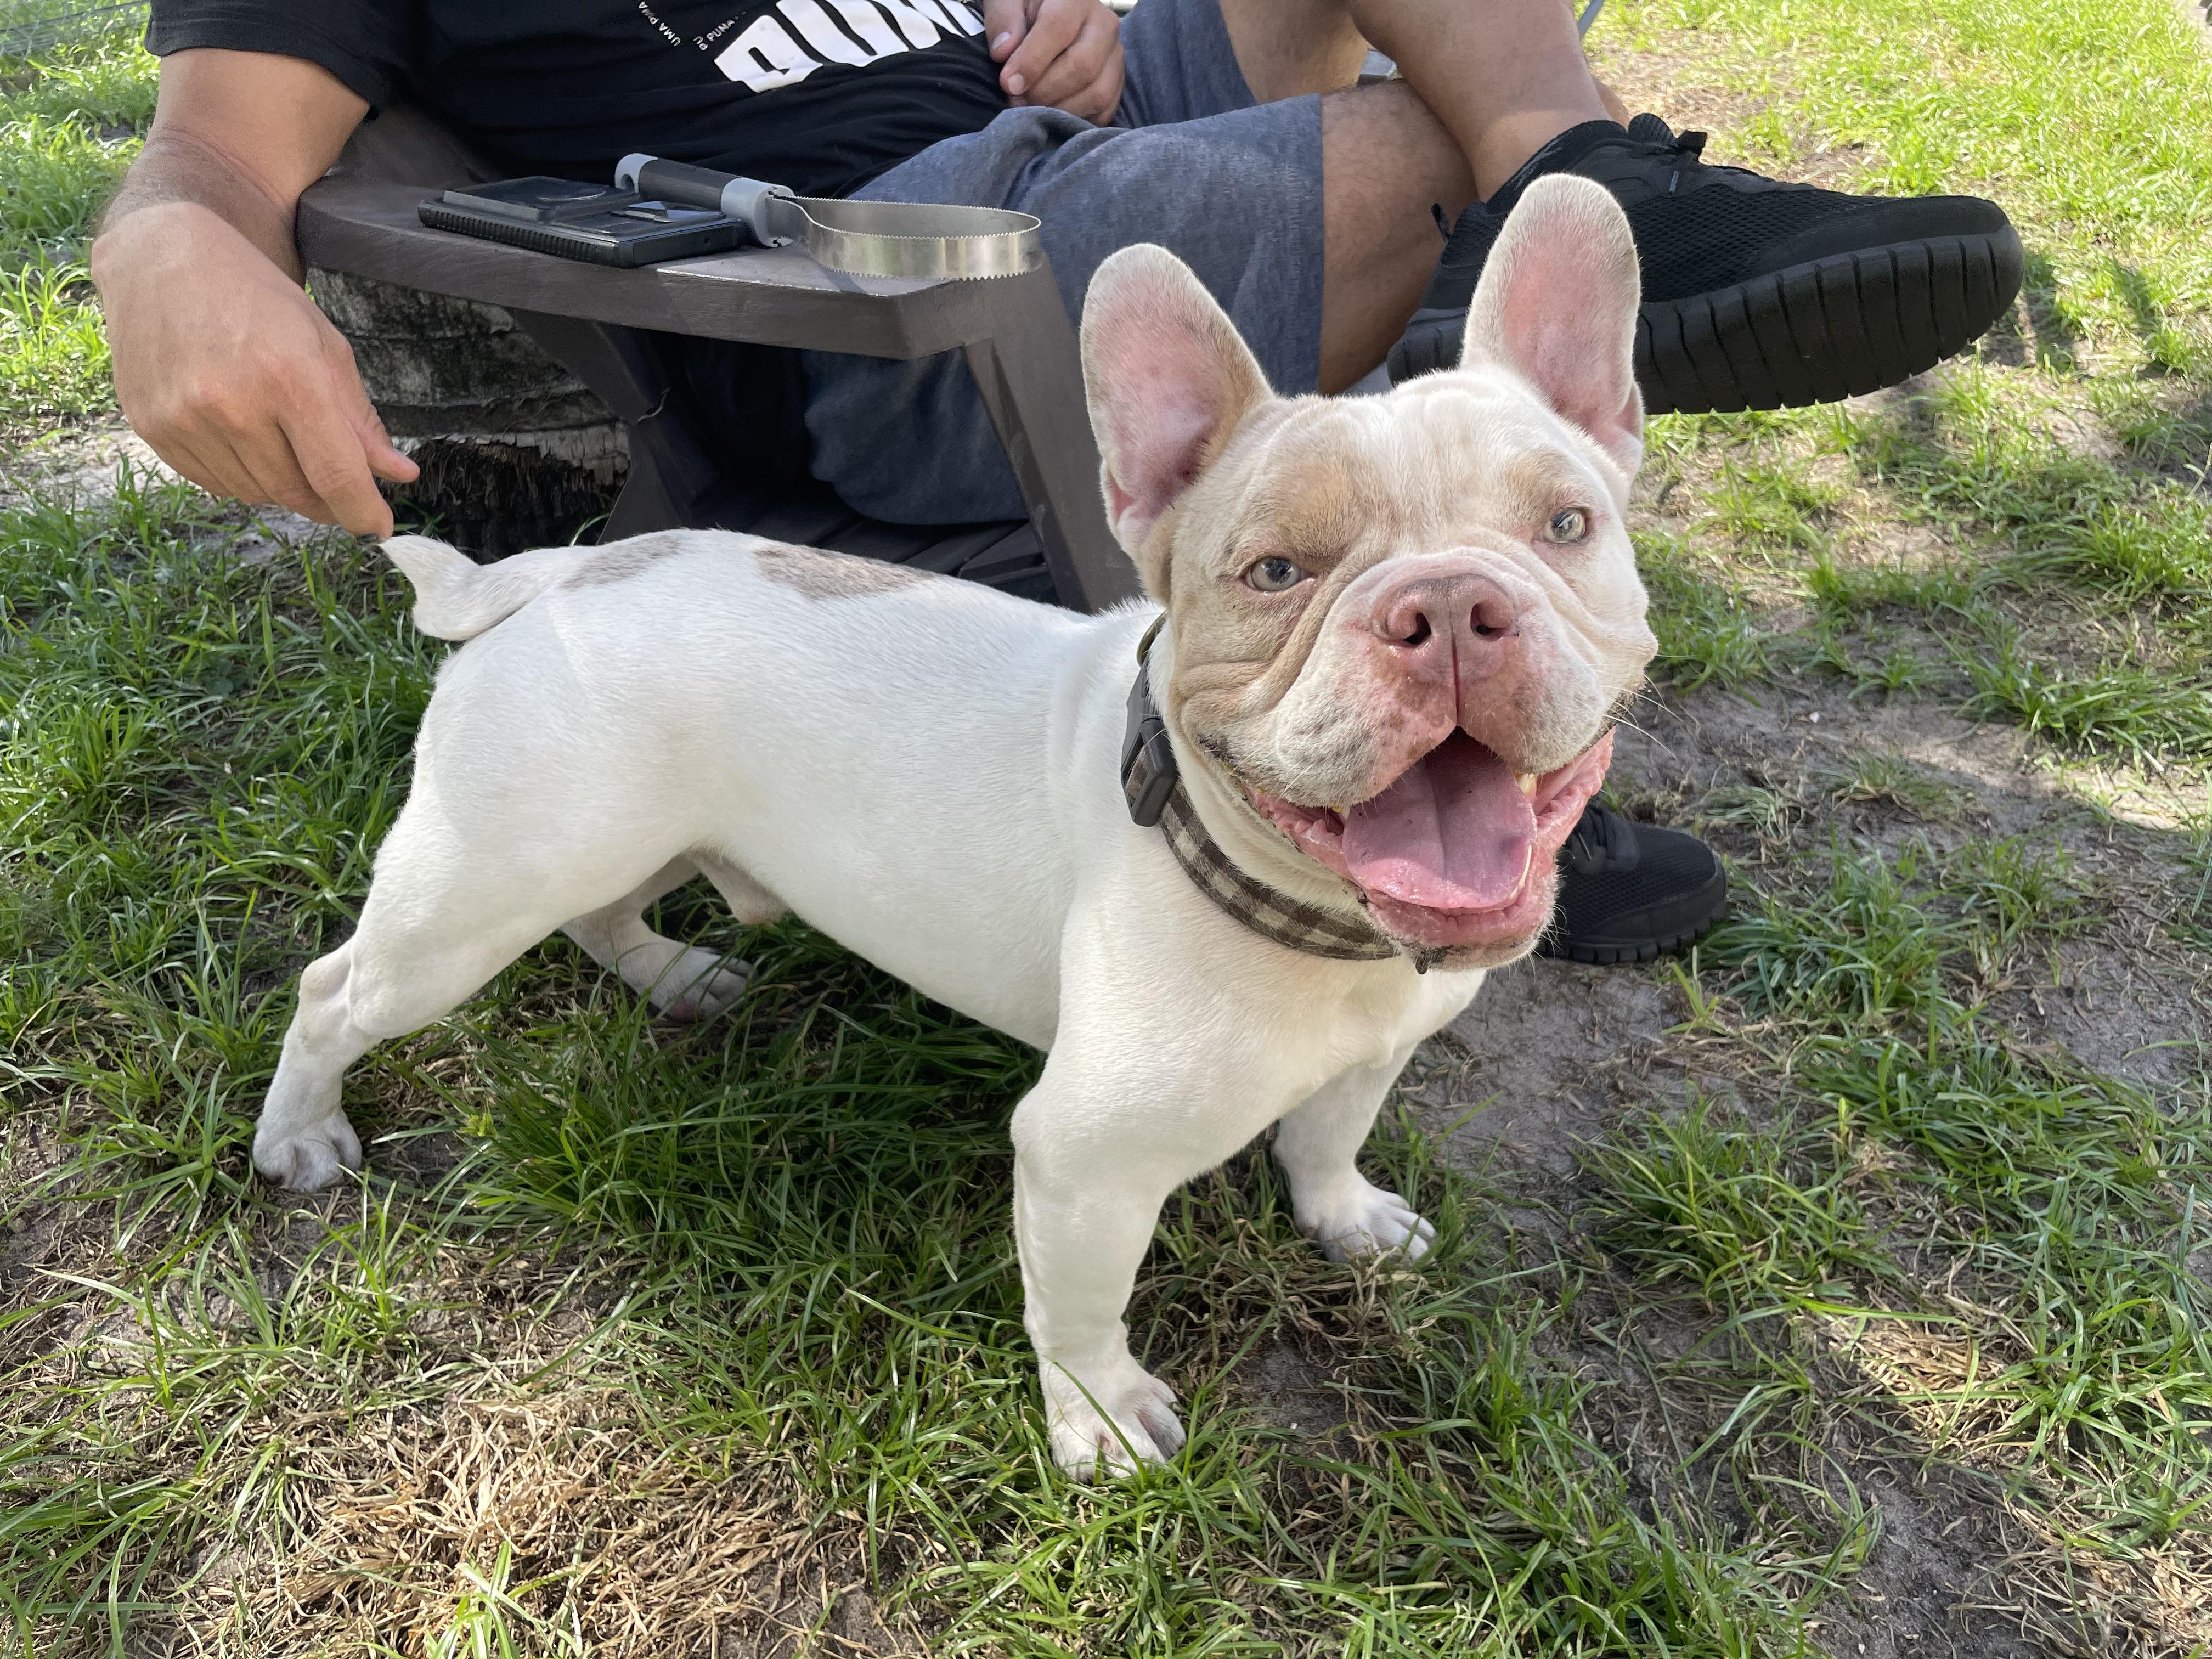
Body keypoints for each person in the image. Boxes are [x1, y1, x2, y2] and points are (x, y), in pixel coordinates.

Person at [91, 0, 2019, 965]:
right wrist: (168, 246)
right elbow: (216, 151)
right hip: (880, 275)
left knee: (1476, 139)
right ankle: (1451, 709)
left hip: (1054, 139)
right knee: (1430, 166)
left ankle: (1614, 214)